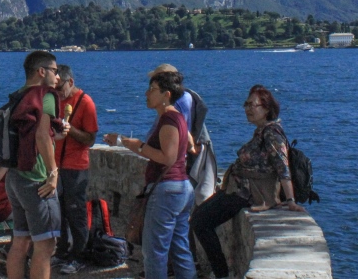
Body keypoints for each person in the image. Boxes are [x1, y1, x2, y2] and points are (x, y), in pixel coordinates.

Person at [190, 85, 306, 278]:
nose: (248, 109)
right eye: (246, 104)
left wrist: (291, 200)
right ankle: (219, 272)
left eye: (253, 105)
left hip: (248, 194)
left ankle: (221, 274)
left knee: (201, 221)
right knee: (199, 217)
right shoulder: (261, 131)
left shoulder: (272, 134)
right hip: (238, 189)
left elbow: (282, 167)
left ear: (267, 109)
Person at [104, 70, 194, 279]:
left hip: (167, 190)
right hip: (180, 188)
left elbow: (168, 158)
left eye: (152, 90)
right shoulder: (176, 117)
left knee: (155, 251)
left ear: (167, 95)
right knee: (179, 248)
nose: (146, 94)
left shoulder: (169, 120)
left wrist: (137, 145)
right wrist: (124, 141)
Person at [5, 50, 63, 279]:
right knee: (46, 246)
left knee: (20, 243)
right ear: (42, 71)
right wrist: (53, 173)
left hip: (15, 177)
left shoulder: (18, 96)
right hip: (36, 179)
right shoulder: (45, 96)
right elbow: (41, 136)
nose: (57, 77)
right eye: (55, 71)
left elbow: (30, 134)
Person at [52, 64, 98, 275]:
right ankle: (62, 252)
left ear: (70, 82)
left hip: (75, 167)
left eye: (60, 88)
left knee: (76, 212)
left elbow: (89, 139)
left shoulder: (85, 102)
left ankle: (79, 255)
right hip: (57, 166)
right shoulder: (55, 100)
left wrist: (71, 131)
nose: (58, 92)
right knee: (59, 212)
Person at [149, 64, 217, 204]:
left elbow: (182, 131)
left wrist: (137, 146)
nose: (149, 90)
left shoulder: (179, 102)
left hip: (173, 175)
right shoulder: (180, 99)